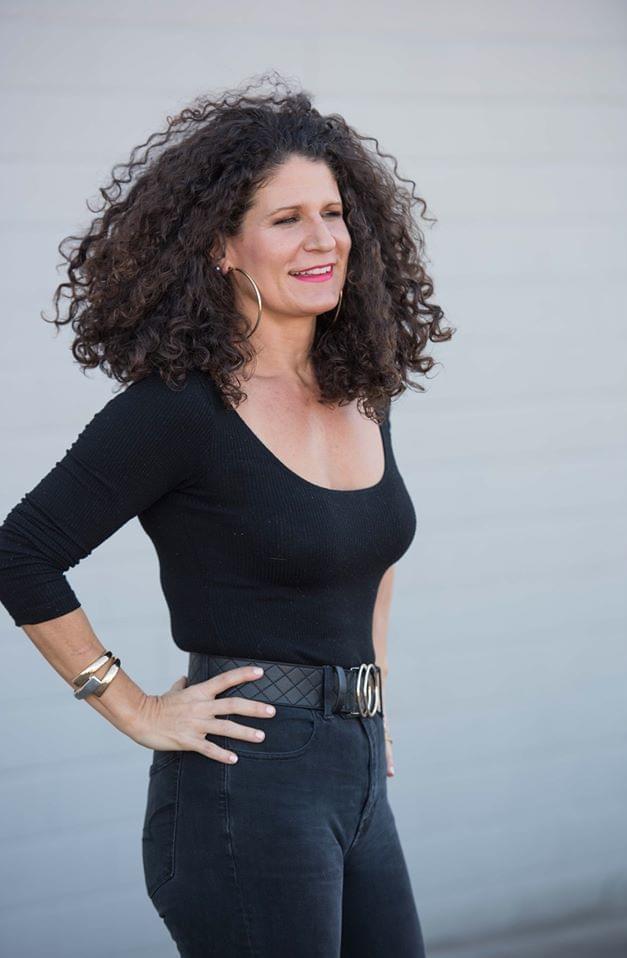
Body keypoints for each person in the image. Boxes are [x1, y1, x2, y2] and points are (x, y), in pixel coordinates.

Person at [0, 71, 453, 957]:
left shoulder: (361, 387)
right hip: (247, 783)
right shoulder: (178, 410)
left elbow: (372, 559)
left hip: (358, 765)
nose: (323, 239)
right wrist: (133, 706)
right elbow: (21, 552)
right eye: (287, 219)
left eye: (333, 212)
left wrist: (374, 701)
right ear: (220, 246)